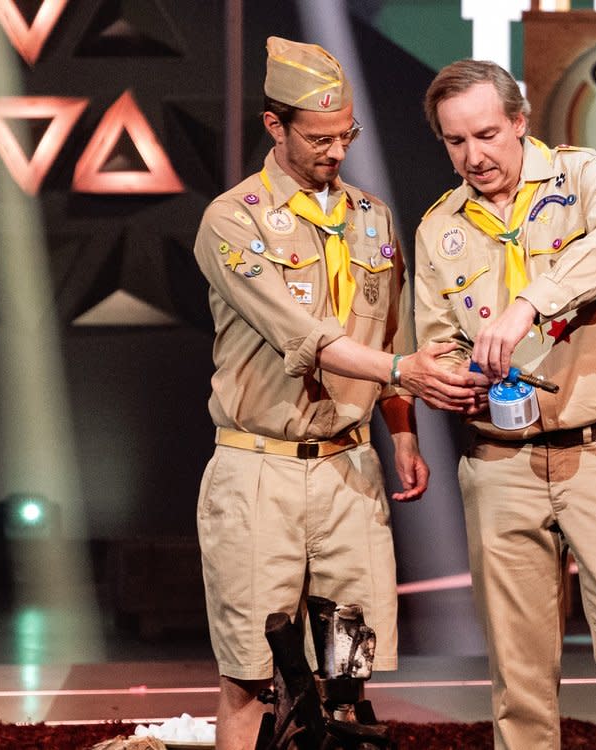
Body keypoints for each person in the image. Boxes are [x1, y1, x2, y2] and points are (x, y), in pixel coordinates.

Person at [191, 37, 478, 750]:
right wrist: (402, 372)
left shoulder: (372, 218)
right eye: (319, 137)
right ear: (274, 126)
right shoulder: (236, 219)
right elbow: (308, 336)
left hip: (349, 467)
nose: (335, 150)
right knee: (251, 675)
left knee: (350, 666)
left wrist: (402, 431)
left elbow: (392, 329)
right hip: (263, 467)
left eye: (346, 134)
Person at [412, 59, 596, 750]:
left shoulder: (581, 177)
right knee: (519, 685)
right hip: (501, 466)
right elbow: (436, 342)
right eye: (455, 142)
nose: (473, 156)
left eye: (485, 134)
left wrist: (529, 304)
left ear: (519, 120)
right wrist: (447, 377)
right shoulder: (438, 228)